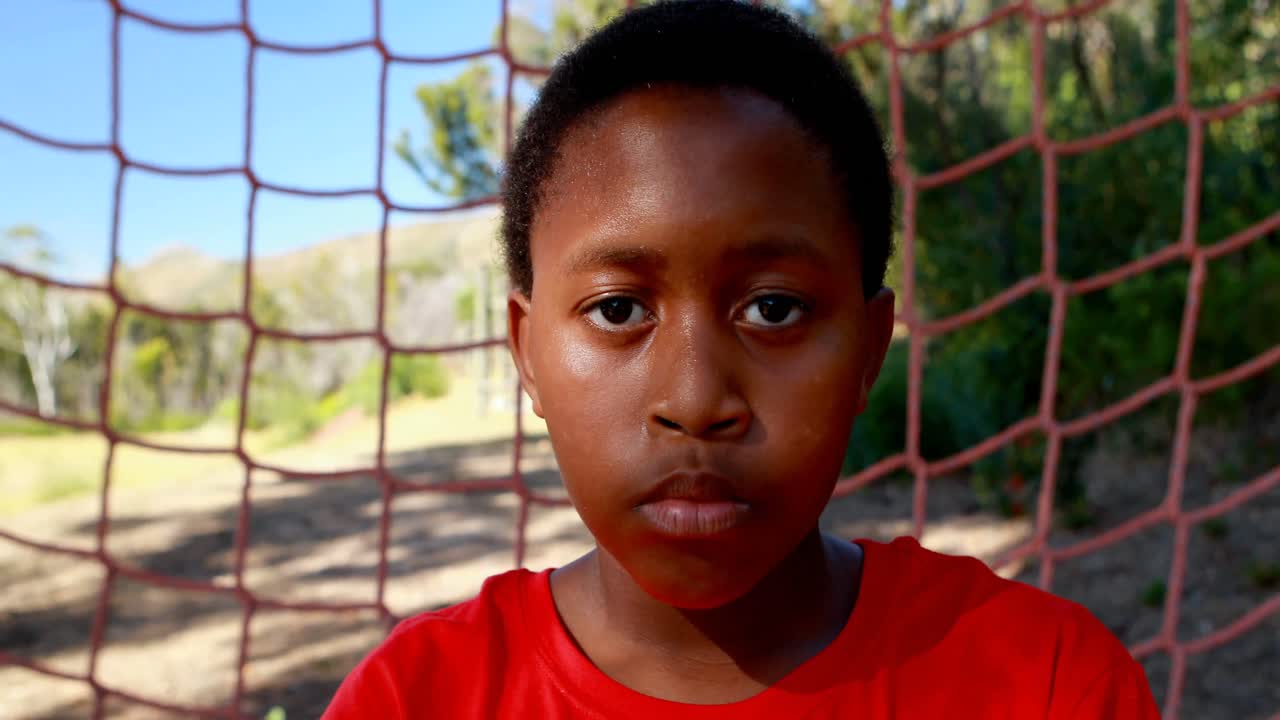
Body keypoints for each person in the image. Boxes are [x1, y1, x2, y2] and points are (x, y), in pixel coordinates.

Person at [323, 1, 1160, 717]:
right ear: (527, 352)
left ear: (870, 351)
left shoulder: (1048, 685)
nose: (695, 399)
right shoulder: (414, 698)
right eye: (619, 310)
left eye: (774, 309)